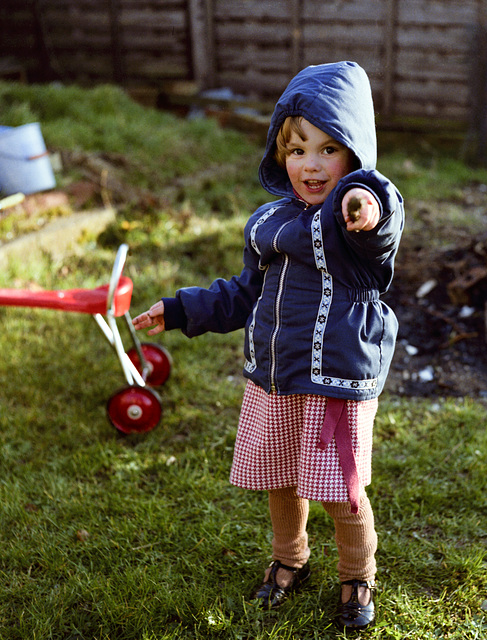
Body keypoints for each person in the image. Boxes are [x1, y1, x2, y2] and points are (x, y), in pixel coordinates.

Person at [133, 60, 404, 632]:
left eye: (330, 149)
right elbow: (242, 295)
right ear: (281, 153)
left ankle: (357, 575)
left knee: (340, 489)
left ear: (355, 156)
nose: (312, 163)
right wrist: (182, 308)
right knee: (280, 477)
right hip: (275, 378)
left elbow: (381, 213)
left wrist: (365, 208)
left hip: (337, 381)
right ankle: (290, 557)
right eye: (298, 147)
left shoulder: (357, 218)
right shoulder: (271, 222)